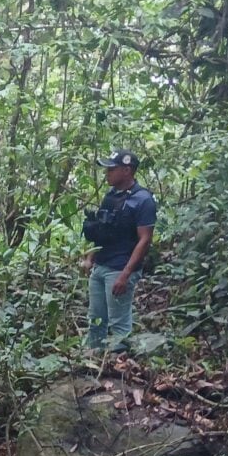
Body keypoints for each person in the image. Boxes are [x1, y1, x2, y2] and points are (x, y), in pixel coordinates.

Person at [82, 149, 157, 352]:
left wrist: (125, 275)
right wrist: (90, 257)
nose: (107, 173)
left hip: (120, 268)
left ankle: (121, 370)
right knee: (96, 319)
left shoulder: (143, 200)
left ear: (126, 170)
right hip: (101, 266)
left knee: (119, 323)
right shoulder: (111, 196)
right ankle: (93, 359)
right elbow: (101, 229)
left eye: (111, 169)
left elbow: (145, 240)